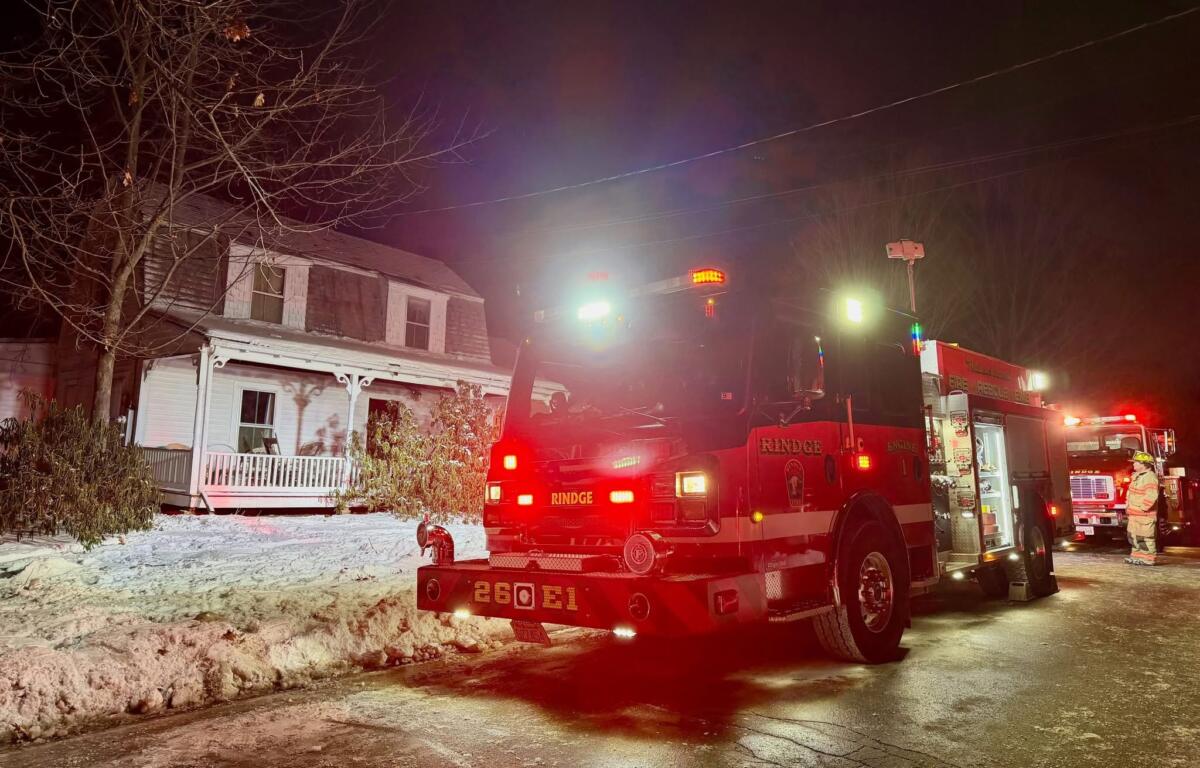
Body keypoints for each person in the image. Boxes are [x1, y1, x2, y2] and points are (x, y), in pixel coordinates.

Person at [1124, 450, 1161, 566]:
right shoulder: (1137, 477)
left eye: (1136, 462)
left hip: (1144, 515)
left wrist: (1143, 508)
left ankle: (1149, 558)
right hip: (1135, 514)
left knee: (1145, 537)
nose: (1133, 464)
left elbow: (1151, 495)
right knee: (1133, 536)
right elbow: (1130, 494)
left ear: (1143, 464)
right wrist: (1128, 506)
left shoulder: (1150, 477)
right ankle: (1137, 557)